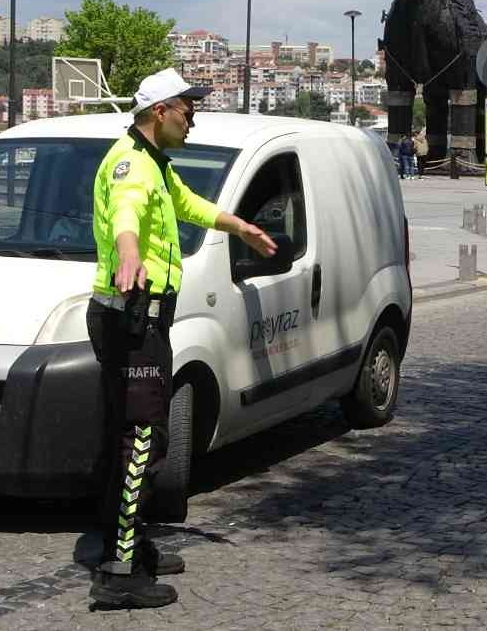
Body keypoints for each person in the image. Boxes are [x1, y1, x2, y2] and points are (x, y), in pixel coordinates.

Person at [86, 68, 277, 610]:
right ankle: (119, 570)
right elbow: (126, 211)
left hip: (143, 316)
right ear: (160, 111)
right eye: (187, 109)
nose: (193, 117)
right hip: (132, 316)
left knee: (138, 434)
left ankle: (131, 542)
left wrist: (239, 227)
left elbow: (189, 204)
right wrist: (128, 253)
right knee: (143, 437)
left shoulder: (154, 163)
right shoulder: (131, 166)